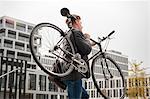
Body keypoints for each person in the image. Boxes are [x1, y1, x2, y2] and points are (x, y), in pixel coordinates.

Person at [61, 14, 94, 99]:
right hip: (74, 74)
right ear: (76, 22)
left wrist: (88, 43)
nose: (82, 25)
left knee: (85, 96)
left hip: (67, 71)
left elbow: (77, 48)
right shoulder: (76, 32)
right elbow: (86, 49)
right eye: (80, 22)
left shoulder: (68, 34)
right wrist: (87, 39)